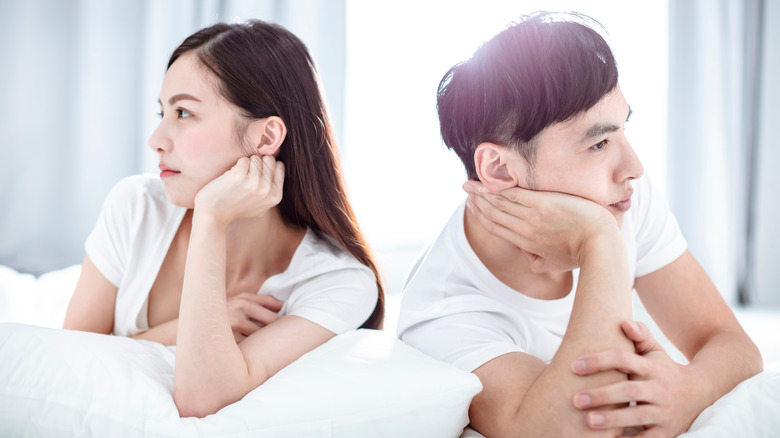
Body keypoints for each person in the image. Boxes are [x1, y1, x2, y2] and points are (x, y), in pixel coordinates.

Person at [397, 11, 762, 437]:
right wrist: (600, 242)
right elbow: (581, 430)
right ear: (497, 169)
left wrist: (692, 388)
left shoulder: (621, 197)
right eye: (599, 142)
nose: (635, 167)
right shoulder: (443, 312)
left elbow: (732, 344)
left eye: (624, 128)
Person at [63, 20, 383, 418]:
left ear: (265, 139)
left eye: (183, 112)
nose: (156, 139)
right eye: (162, 112)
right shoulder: (136, 205)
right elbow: (67, 359)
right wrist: (178, 329)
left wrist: (211, 221)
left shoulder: (338, 282)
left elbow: (204, 399)